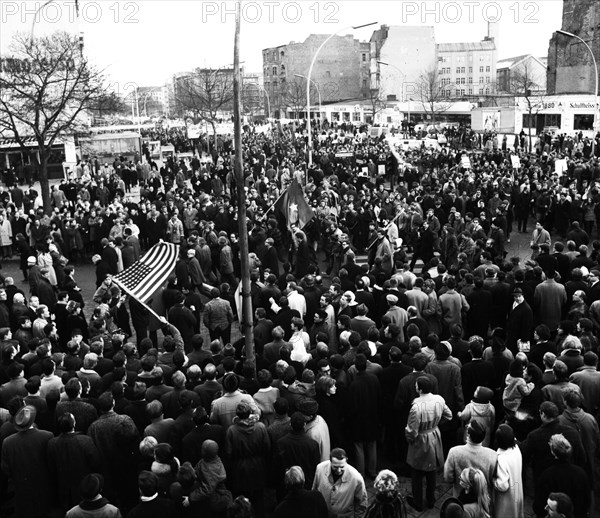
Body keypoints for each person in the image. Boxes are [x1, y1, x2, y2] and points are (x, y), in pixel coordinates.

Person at [405, 375, 452, 511]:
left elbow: (412, 431)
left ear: (419, 389)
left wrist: (410, 439)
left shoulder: (416, 407)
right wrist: (435, 425)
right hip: (435, 436)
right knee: (432, 471)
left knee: (417, 472)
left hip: (421, 439)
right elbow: (449, 416)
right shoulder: (439, 399)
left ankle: (418, 502)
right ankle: (431, 500)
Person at [1, 405, 54, 518]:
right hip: (43, 484)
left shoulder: (8, 442)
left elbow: (5, 469)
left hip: (21, 487)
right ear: (32, 420)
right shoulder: (47, 436)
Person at [533, 434, 590, 518]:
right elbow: (587, 501)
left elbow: (539, 505)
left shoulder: (547, 475)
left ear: (552, 451)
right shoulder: (581, 473)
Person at [312, 448, 368, 518]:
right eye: (335, 467)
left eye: (342, 467)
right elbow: (314, 491)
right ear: (330, 462)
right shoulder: (320, 468)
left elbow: (361, 505)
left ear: (346, 461)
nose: (338, 470)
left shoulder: (356, 478)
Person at [493, 423, 524, 518]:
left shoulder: (501, 458)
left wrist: (493, 481)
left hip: (506, 500)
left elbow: (503, 485)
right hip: (517, 490)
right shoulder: (516, 448)